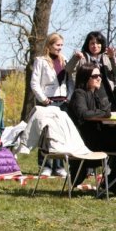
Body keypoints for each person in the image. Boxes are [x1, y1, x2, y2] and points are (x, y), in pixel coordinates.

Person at [30, 32, 73, 177]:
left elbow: (69, 81)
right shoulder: (41, 61)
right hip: (48, 101)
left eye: (61, 45)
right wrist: (43, 99)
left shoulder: (65, 60)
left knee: (60, 134)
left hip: (63, 101)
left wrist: (69, 97)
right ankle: (45, 165)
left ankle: (59, 166)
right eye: (57, 45)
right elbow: (34, 83)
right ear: (49, 45)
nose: (60, 48)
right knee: (46, 134)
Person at [67, 63, 116, 187]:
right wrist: (104, 114)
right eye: (95, 76)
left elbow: (105, 112)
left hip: (97, 136)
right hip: (86, 140)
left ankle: (111, 182)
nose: (99, 78)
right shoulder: (79, 93)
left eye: (99, 75)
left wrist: (105, 112)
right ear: (85, 77)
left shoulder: (96, 94)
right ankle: (110, 183)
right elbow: (84, 114)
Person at [65, 31, 116, 110]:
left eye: (98, 43)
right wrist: (75, 58)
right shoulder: (81, 56)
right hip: (87, 95)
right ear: (87, 44)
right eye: (92, 43)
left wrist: (112, 58)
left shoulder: (107, 57)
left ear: (102, 44)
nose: (95, 46)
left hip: (106, 96)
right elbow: (68, 69)